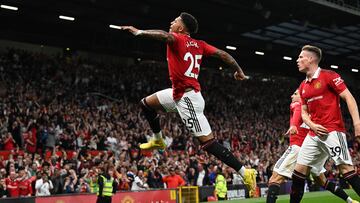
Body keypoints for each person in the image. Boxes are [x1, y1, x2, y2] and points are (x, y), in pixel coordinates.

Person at [120, 12, 255, 187]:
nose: (171, 22)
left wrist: (139, 32)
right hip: (177, 93)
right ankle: (158, 139)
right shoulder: (200, 44)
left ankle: (245, 172)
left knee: (208, 144)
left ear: (181, 28)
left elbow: (164, 36)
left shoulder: (178, 39)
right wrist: (238, 70)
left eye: (175, 21)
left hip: (188, 99)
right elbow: (223, 54)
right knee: (146, 104)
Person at [290, 45, 360, 203]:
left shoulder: (329, 76)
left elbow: (349, 98)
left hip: (332, 131)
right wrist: (312, 125)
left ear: (311, 59)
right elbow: (304, 113)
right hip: (313, 134)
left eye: (301, 57)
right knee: (298, 173)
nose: (297, 60)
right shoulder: (302, 86)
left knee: (346, 170)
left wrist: (357, 125)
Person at [267, 89, 357, 203]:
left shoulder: (297, 104)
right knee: (321, 180)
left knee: (275, 178)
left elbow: (297, 108)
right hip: (313, 150)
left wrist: (294, 125)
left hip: (299, 147)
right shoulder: (312, 110)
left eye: (295, 94)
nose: (291, 96)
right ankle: (350, 200)